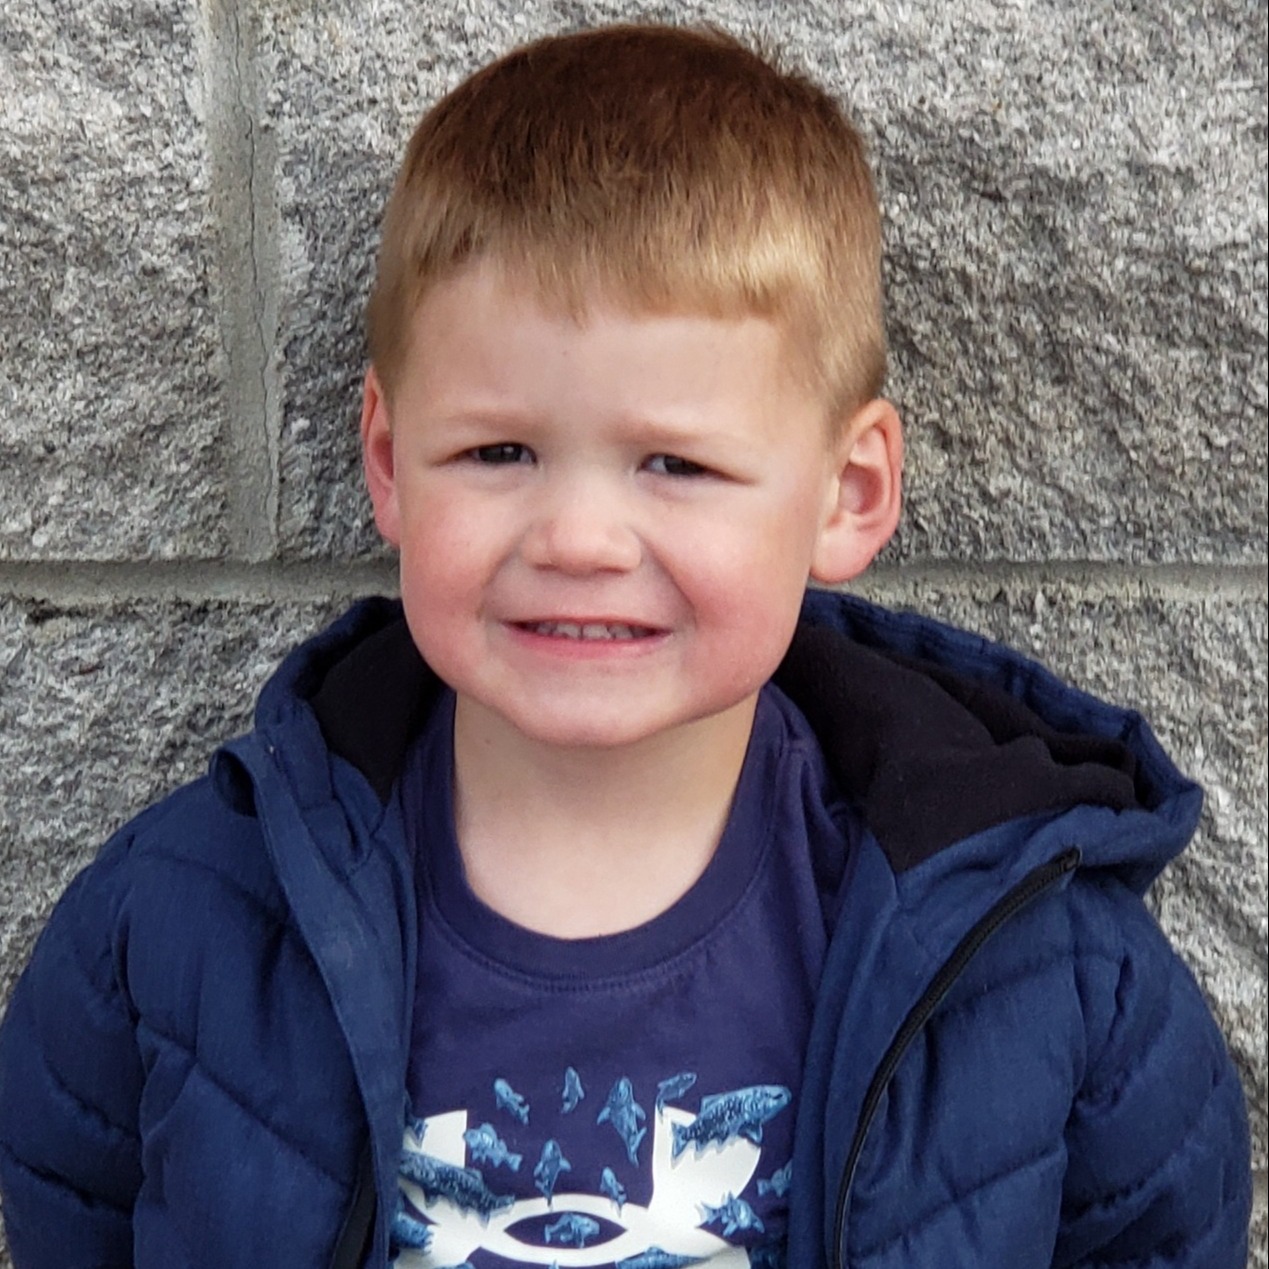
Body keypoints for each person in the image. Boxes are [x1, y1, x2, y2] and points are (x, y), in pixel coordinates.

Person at [0, 22, 1251, 1269]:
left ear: (848, 492)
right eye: (500, 453)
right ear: (387, 462)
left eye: (677, 463)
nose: (582, 536)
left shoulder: (1049, 978)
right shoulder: (177, 934)